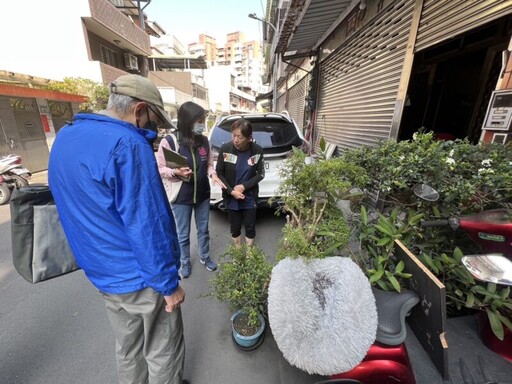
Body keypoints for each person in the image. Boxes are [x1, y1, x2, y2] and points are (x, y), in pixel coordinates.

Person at [48, 74, 188, 384]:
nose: (155, 130)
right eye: (153, 120)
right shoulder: (128, 144)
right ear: (139, 110)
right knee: (161, 349)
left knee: (128, 347)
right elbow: (147, 223)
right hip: (141, 274)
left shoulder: (66, 137)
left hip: (101, 270)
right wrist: (168, 283)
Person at [156, 101, 225, 278]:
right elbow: (160, 168)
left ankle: (204, 256)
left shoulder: (203, 141)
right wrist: (175, 171)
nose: (202, 125)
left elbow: (209, 164)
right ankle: (184, 262)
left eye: (202, 121)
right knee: (183, 234)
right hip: (181, 196)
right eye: (199, 121)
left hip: (202, 194)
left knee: (204, 230)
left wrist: (213, 174)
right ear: (188, 120)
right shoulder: (170, 141)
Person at [216, 118, 265, 246]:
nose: (236, 140)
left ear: (249, 138)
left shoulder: (257, 150)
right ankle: (238, 253)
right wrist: (232, 191)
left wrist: (244, 186)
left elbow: (261, 174)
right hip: (231, 197)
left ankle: (249, 256)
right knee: (235, 227)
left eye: (240, 137)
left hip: (249, 197)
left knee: (250, 227)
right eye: (234, 135)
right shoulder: (225, 149)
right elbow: (219, 173)